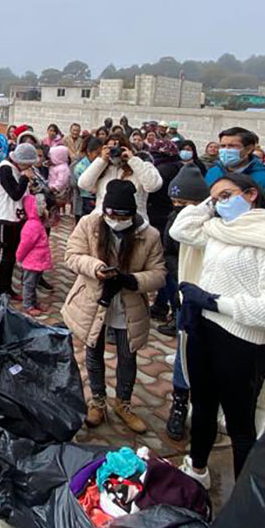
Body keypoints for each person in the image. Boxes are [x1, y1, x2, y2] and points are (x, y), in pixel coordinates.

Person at [171, 172, 265, 484]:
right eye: (215, 199)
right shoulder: (221, 230)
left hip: (242, 342)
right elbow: (181, 228)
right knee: (202, 407)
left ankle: (244, 493)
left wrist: (217, 303)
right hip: (204, 332)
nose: (219, 204)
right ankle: (197, 469)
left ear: (251, 194)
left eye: (227, 196)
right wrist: (209, 204)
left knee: (241, 423)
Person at [63, 179, 166, 432]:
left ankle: (123, 403)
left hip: (128, 305)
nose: (116, 219)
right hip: (93, 300)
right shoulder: (89, 224)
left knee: (127, 356)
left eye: (123, 215)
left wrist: (131, 280)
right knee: (93, 353)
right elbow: (72, 255)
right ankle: (97, 401)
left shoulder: (149, 235)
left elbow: (159, 273)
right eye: (111, 213)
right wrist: (96, 268)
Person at [162, 165, 211, 438]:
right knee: (184, 350)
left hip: (212, 297)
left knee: (207, 356)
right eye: (176, 203)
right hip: (184, 293)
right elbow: (169, 249)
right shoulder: (175, 221)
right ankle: (179, 402)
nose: (179, 208)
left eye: (186, 204)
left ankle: (205, 405)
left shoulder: (212, 226)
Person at [0, 142, 39, 299]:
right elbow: (15, 194)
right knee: (5, 255)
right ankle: (1, 290)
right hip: (6, 218)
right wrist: (25, 178)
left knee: (13, 256)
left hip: (18, 218)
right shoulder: (5, 168)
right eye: (27, 164)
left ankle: (8, 289)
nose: (29, 167)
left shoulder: (17, 169)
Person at [204, 127, 265, 213]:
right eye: (222, 146)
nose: (226, 150)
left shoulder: (263, 181)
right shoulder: (213, 172)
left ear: (248, 149)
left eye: (232, 146)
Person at [78, 137, 163, 215]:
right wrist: (101, 160)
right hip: (103, 220)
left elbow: (153, 186)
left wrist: (132, 160)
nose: (114, 152)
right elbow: (83, 184)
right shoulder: (103, 168)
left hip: (132, 220)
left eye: (118, 148)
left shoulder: (141, 166)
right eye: (110, 148)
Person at [16, 193, 53, 317]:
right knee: (29, 284)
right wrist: (19, 257)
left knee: (33, 284)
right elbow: (24, 245)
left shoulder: (38, 223)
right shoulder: (32, 226)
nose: (44, 208)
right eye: (41, 206)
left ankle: (33, 302)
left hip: (38, 261)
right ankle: (28, 305)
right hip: (32, 262)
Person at [72, 137, 101, 221]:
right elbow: (85, 186)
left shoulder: (101, 164)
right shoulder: (80, 167)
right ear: (89, 152)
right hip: (87, 199)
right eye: (97, 153)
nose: (99, 156)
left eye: (100, 154)